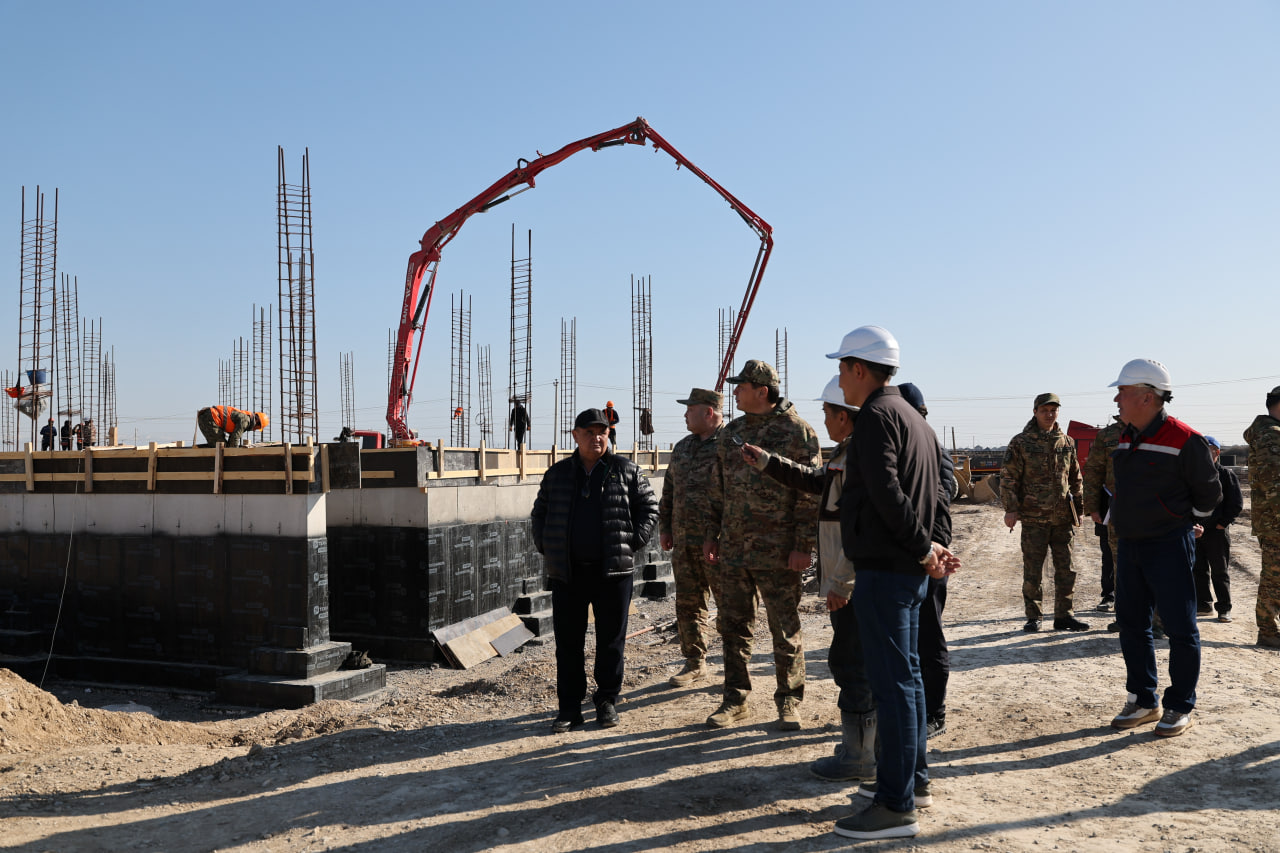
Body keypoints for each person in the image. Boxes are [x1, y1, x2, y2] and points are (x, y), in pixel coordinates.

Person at [826, 325, 959, 841]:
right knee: (910, 679)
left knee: (894, 685)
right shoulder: (911, 417)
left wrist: (924, 548)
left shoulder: (878, 416)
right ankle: (912, 782)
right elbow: (928, 494)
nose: (840, 380)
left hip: (888, 569)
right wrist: (927, 548)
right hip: (905, 569)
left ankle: (895, 805)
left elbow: (886, 492)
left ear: (860, 369)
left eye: (842, 368)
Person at [743, 376, 873, 781]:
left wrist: (841, 583)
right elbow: (817, 482)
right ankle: (864, 748)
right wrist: (768, 462)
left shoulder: (860, 456)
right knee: (851, 660)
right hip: (847, 578)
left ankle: (861, 755)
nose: (824, 419)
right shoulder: (848, 453)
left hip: (852, 582)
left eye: (827, 412)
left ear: (843, 417)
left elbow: (860, 528)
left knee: (853, 663)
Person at [703, 359, 820, 731]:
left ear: (762, 391)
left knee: (784, 628)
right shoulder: (731, 433)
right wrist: (712, 535)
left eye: (741, 387)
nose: (735, 392)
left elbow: (810, 495)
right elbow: (717, 488)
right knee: (732, 626)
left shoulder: (798, 432)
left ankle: (789, 701)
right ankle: (735, 700)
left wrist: (803, 546)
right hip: (734, 549)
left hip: (779, 551)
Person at [1107, 358, 1220, 738]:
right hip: (1131, 545)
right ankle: (1144, 700)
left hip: (1169, 544)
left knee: (1180, 628)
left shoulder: (1185, 439)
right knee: (1132, 624)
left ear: (1147, 396)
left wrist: (1181, 523)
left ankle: (1179, 705)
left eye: (1122, 391)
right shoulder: (1127, 436)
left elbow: (1209, 494)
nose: (1117, 399)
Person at [531, 408, 658, 732]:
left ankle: (606, 701)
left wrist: (632, 541)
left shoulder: (626, 470)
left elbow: (649, 508)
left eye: (602, 432)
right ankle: (570, 709)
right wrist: (547, 544)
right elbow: (539, 513)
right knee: (568, 644)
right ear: (575, 436)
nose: (596, 438)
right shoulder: (558, 474)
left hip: (612, 573)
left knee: (611, 642)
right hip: (568, 573)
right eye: (589, 432)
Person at [1000, 393, 1088, 632]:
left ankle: (1064, 616)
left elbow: (1076, 478)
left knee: (1066, 569)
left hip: (1062, 519)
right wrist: (1011, 509)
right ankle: (1034, 616)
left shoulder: (1066, 442)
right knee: (1033, 570)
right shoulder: (1021, 442)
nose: (1050, 414)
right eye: (1044, 410)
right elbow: (1008, 478)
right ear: (1035, 412)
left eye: (1053, 410)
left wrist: (1079, 509)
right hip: (1034, 518)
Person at [898, 382, 955, 739]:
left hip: (931, 556)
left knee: (928, 635)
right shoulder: (904, 446)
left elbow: (940, 503)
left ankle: (935, 711)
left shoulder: (931, 447)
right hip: (910, 554)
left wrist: (932, 550)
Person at [658, 388, 726, 688]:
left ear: (708, 412)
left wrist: (718, 535)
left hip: (720, 544)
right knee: (689, 604)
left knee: (731, 607)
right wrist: (665, 527)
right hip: (685, 542)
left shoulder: (730, 445)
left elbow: (736, 497)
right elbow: (669, 489)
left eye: (690, 409)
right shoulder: (683, 447)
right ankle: (695, 663)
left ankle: (736, 667)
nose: (685, 415)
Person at [1244, 386, 1280, 650]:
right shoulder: (1271, 435)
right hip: (1275, 521)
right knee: (1274, 577)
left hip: (1271, 519)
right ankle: (1268, 632)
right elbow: (1274, 483)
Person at [1193, 436, 1242, 622]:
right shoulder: (1193, 475)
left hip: (1217, 531)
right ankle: (1204, 605)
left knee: (1220, 571)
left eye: (1209, 449)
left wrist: (1223, 523)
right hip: (1196, 531)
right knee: (1198, 570)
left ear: (1217, 452)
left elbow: (1236, 503)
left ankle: (1224, 608)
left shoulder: (1226, 475)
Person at [196, 406, 268, 448]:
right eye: (257, 428)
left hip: (207, 417)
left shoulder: (245, 418)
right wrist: (234, 454)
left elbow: (232, 439)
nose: (254, 430)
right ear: (257, 422)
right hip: (210, 418)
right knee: (220, 447)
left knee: (219, 446)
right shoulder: (245, 420)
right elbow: (235, 437)